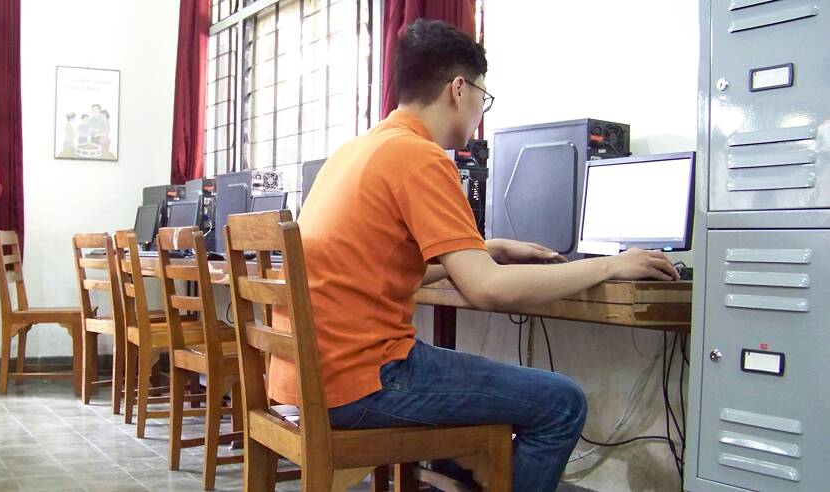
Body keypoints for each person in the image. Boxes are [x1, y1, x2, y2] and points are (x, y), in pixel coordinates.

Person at [270, 19, 678, 492]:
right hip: (364, 380)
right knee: (562, 403)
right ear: (458, 89)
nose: (479, 111)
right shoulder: (420, 158)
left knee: (492, 395)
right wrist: (612, 264)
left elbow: (372, 273)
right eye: (483, 97)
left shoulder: (357, 152)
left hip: (306, 377)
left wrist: (483, 249)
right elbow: (488, 289)